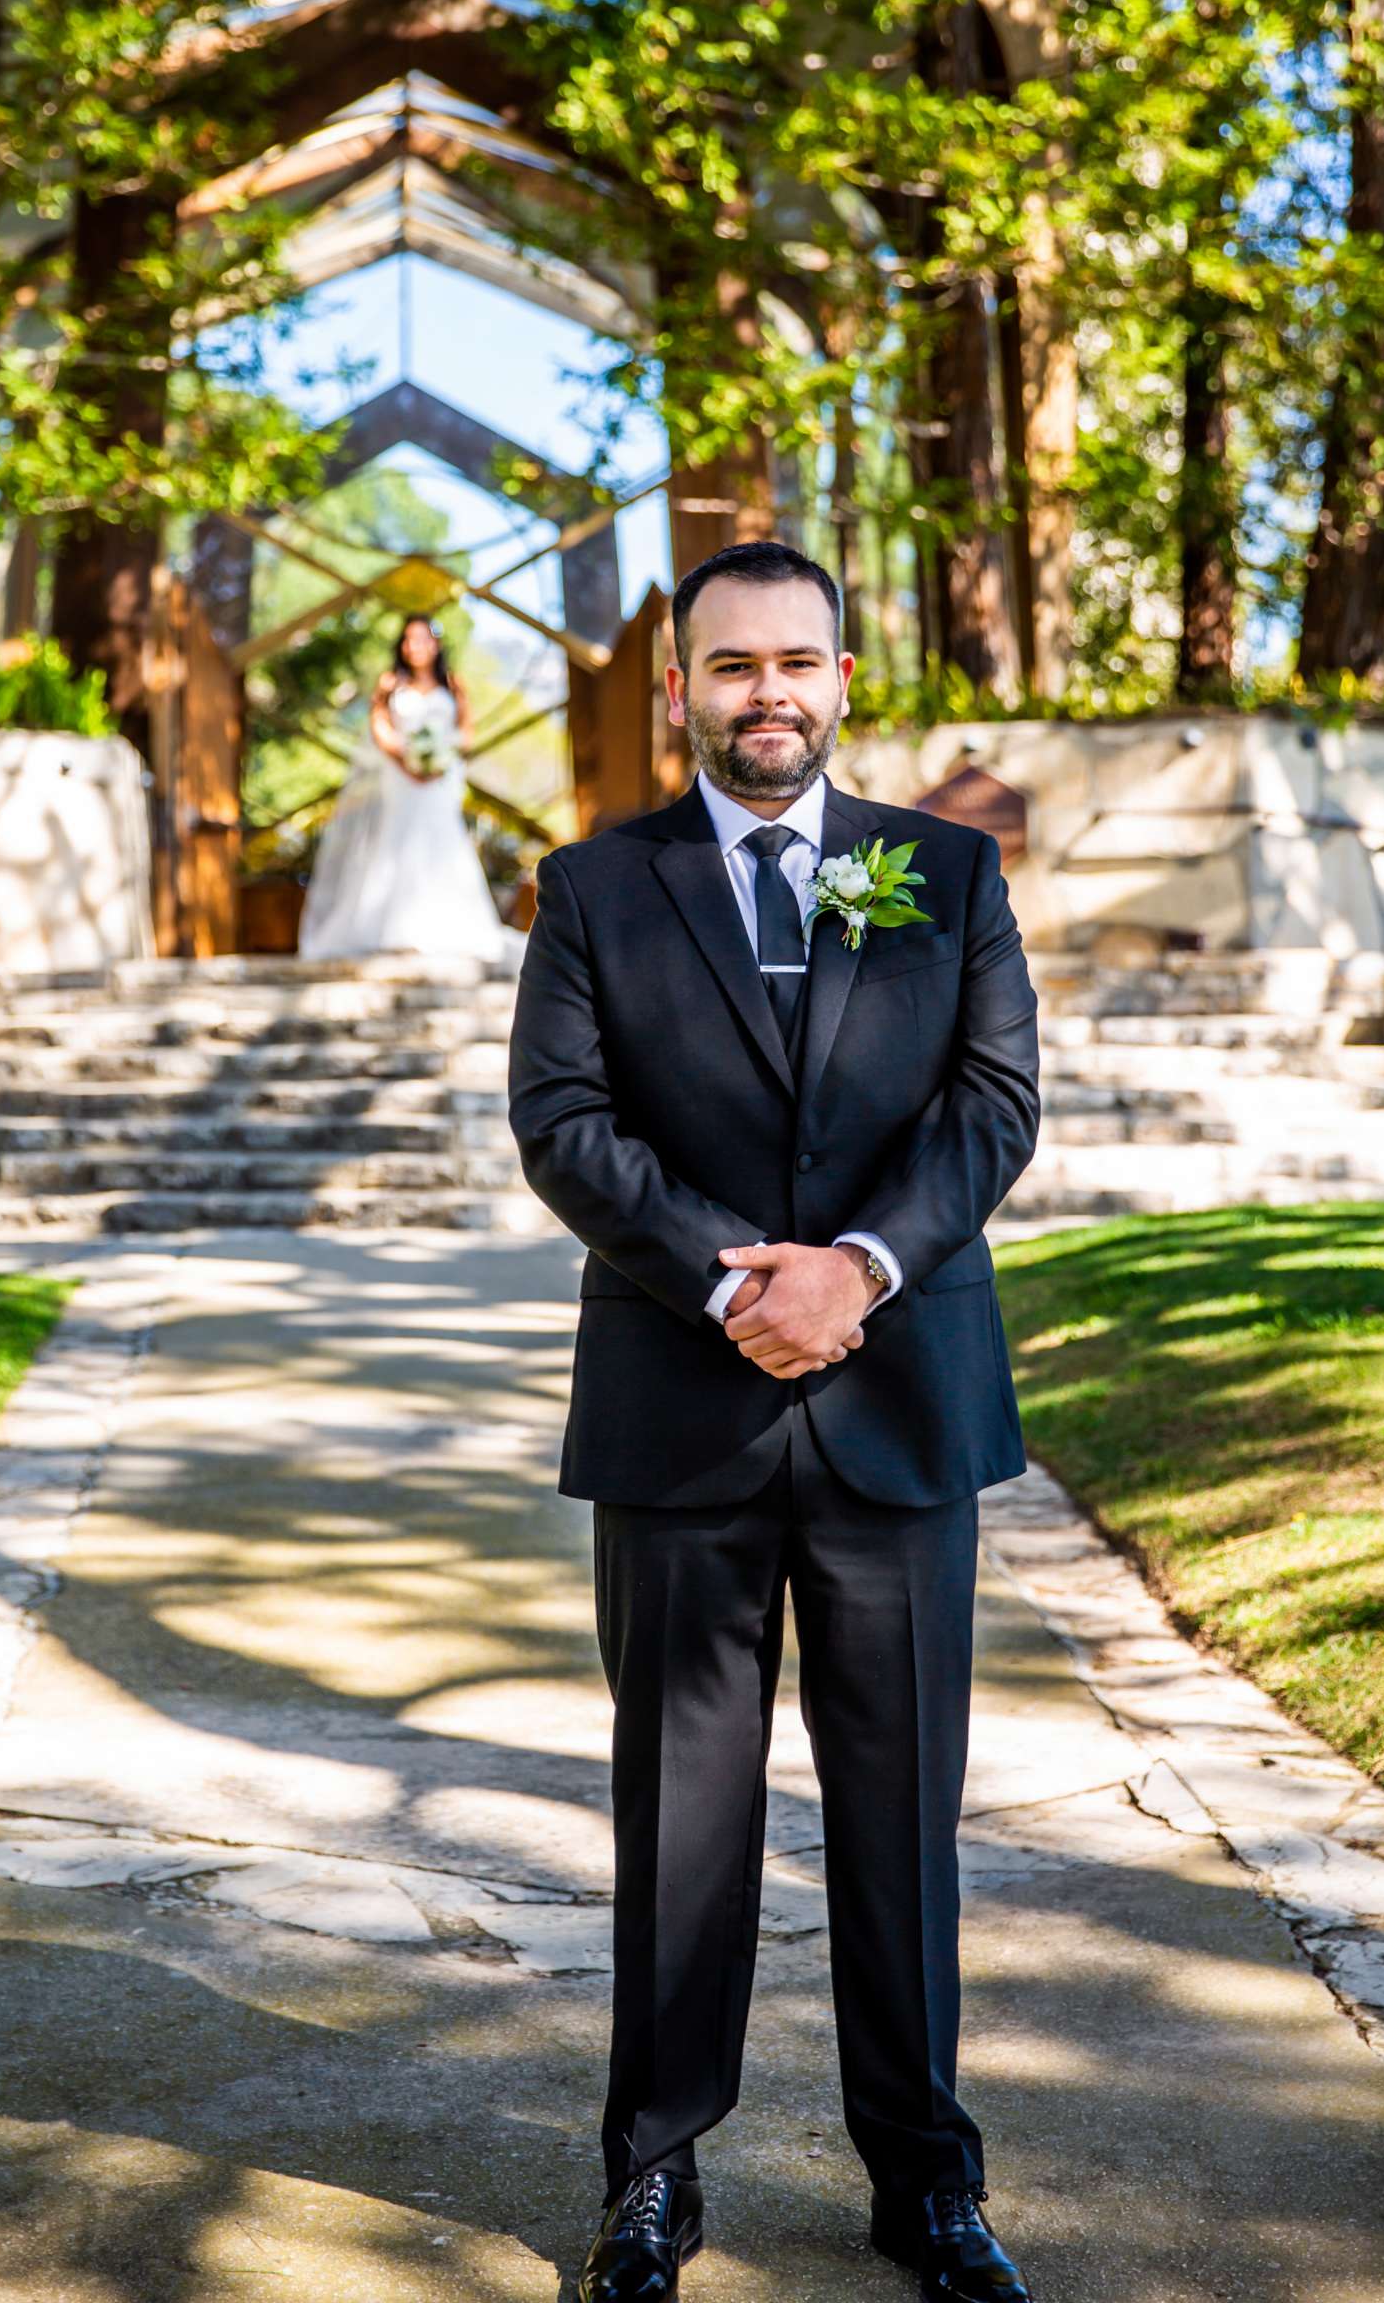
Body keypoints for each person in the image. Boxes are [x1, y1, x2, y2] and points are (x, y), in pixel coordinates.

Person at [507, 541, 1041, 2303]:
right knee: (681, 1819)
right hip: (683, 1412)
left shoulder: (941, 871)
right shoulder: (596, 886)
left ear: (842, 673)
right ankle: (652, 2175)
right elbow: (565, 1126)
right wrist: (737, 1285)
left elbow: (992, 1104)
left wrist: (862, 1272)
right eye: (731, 667)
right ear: (678, 688)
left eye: (798, 662)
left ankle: (927, 2182)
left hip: (903, 1414)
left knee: (904, 1821)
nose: (769, 696)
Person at [297, 613, 511, 964]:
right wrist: (407, 762)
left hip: (439, 780)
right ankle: (390, 929)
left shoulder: (453, 685)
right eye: (409, 640)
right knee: (397, 841)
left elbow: (466, 733)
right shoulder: (389, 684)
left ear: (436, 644)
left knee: (442, 842)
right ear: (401, 646)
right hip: (401, 779)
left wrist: (437, 761)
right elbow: (379, 725)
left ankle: (447, 927)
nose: (416, 647)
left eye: (423, 639)